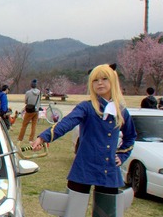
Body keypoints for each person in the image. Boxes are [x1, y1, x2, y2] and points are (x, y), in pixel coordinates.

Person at [32, 64, 136, 195]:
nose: (100, 83)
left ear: (113, 81)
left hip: (109, 171)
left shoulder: (121, 111)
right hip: (84, 168)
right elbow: (67, 123)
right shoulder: (86, 107)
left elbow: (131, 136)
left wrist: (122, 155)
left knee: (107, 214)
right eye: (95, 80)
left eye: (104, 79)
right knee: (72, 212)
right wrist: (43, 137)